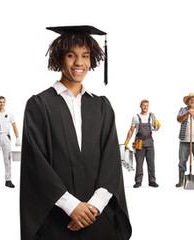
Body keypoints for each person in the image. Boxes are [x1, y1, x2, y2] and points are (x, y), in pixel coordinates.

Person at [20, 25, 131, 239]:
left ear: (92, 60)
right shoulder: (39, 105)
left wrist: (94, 206)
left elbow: (111, 162)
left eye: (85, 56)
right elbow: (36, 164)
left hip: (98, 218)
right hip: (56, 218)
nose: (79, 62)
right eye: (71, 55)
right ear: (58, 58)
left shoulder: (101, 106)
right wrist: (71, 206)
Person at [123, 99, 160, 188]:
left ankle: (152, 181)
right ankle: (138, 182)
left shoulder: (151, 117)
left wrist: (157, 125)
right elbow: (131, 130)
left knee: (151, 164)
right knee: (139, 164)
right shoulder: (136, 117)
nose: (145, 107)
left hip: (150, 143)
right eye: (143, 105)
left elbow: (155, 128)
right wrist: (127, 141)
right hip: (139, 144)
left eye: (147, 106)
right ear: (140, 106)